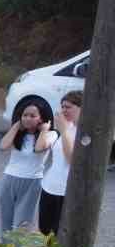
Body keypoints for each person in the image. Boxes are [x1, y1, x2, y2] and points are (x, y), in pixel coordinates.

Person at [0, 97, 57, 234]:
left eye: (32, 116)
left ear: (42, 118)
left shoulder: (51, 134)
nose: (28, 118)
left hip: (31, 181)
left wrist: (43, 130)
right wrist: (17, 126)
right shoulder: (18, 133)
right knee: (5, 222)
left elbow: (39, 148)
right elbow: (3, 146)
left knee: (21, 224)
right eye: (25, 115)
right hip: (9, 178)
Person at [40, 91, 83, 237]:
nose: (64, 110)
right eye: (62, 106)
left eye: (68, 107)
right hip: (49, 186)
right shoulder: (67, 128)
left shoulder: (84, 133)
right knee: (45, 231)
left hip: (66, 192)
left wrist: (63, 131)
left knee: (59, 234)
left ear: (81, 108)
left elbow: (72, 160)